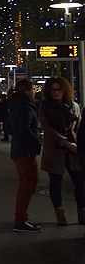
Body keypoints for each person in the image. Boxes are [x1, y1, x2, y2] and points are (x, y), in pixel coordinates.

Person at [38, 76, 83, 225]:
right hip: (56, 149)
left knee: (79, 181)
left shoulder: (74, 106)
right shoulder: (46, 107)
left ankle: (82, 212)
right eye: (53, 90)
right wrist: (64, 142)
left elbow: (79, 126)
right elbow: (48, 129)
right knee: (56, 181)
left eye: (59, 89)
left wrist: (75, 142)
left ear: (65, 90)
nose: (56, 93)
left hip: (73, 149)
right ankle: (60, 214)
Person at [7, 79, 43, 232]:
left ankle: (22, 218)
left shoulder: (15, 105)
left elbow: (12, 128)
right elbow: (25, 128)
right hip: (25, 150)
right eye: (32, 90)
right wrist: (37, 143)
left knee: (27, 182)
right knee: (28, 183)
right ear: (28, 91)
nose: (34, 92)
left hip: (19, 149)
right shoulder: (25, 107)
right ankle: (20, 220)